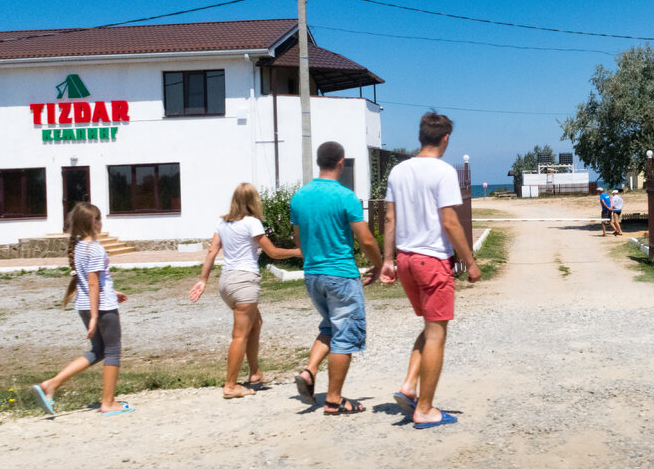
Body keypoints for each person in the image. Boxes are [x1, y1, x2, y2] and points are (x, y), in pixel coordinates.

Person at [379, 112, 480, 429]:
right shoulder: (443, 171)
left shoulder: (398, 171)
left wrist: (387, 259)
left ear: (420, 136)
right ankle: (425, 409)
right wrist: (471, 263)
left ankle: (409, 386)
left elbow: (390, 219)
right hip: (432, 261)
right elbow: (449, 221)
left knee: (429, 327)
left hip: (406, 260)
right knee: (437, 333)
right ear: (446, 139)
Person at [289, 141, 384, 415]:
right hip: (340, 274)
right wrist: (378, 265)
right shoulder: (345, 196)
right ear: (341, 162)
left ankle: (310, 370)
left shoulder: (300, 196)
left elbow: (299, 238)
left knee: (329, 326)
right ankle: (334, 399)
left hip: (313, 274)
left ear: (319, 162)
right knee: (345, 334)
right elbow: (365, 238)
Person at [189, 183, 302, 400]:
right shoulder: (252, 223)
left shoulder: (222, 223)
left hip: (227, 282)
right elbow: (273, 252)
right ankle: (230, 385)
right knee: (239, 335)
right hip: (244, 282)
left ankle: (255, 374)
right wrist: (299, 252)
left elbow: (212, 251)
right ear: (253, 201)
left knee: (255, 323)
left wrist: (203, 280)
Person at [31, 202, 132, 416]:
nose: (101, 222)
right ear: (91, 223)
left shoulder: (78, 248)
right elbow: (93, 283)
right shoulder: (95, 248)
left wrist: (113, 293)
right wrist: (96, 316)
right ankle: (108, 402)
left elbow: (91, 282)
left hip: (85, 305)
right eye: (98, 218)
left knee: (98, 351)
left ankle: (52, 384)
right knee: (112, 351)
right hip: (101, 308)